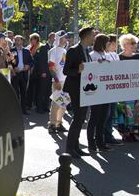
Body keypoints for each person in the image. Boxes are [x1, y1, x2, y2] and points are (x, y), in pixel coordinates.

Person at [63, 26, 95, 158]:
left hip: (84, 89)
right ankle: (70, 148)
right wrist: (77, 70)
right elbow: (66, 71)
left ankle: (76, 147)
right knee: (78, 119)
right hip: (75, 89)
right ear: (87, 36)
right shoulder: (73, 50)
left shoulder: (86, 50)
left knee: (81, 119)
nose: (94, 38)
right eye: (93, 35)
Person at [117, 33, 139, 142]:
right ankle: (125, 133)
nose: (133, 45)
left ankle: (133, 133)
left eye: (134, 43)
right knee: (124, 112)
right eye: (130, 43)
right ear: (124, 44)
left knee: (136, 112)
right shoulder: (117, 58)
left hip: (136, 91)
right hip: (122, 90)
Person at [87, 34, 112, 152]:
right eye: (107, 42)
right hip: (95, 90)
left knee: (103, 118)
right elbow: (88, 70)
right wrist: (97, 64)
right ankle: (91, 143)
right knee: (94, 118)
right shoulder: (92, 55)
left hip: (106, 90)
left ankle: (100, 142)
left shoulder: (106, 54)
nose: (109, 45)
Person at [48, 30, 70, 133]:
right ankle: (52, 124)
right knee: (56, 103)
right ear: (60, 39)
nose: (66, 39)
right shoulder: (53, 50)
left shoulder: (64, 51)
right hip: (57, 80)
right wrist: (56, 80)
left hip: (65, 80)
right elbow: (51, 67)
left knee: (63, 104)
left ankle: (59, 123)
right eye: (65, 37)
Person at [104, 34, 122, 145]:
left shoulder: (116, 55)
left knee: (111, 114)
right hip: (106, 88)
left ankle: (109, 135)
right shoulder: (104, 55)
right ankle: (103, 135)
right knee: (106, 113)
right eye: (115, 43)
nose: (116, 46)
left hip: (114, 88)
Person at [10, 35, 33, 114]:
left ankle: (24, 110)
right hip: (15, 74)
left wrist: (28, 66)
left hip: (24, 74)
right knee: (15, 93)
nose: (17, 42)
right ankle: (16, 110)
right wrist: (13, 68)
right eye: (15, 40)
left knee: (23, 92)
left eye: (18, 40)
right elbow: (9, 62)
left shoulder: (26, 51)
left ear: (22, 41)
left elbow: (32, 62)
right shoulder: (11, 50)